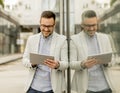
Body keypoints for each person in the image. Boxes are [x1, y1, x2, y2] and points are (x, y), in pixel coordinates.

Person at [70, 10, 116, 93]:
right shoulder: (74, 40)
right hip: (86, 88)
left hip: (105, 87)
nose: (91, 28)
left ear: (97, 23)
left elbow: (112, 60)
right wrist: (82, 64)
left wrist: (107, 62)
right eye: (88, 25)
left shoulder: (105, 38)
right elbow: (71, 63)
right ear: (82, 24)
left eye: (94, 25)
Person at [22, 11, 68, 93]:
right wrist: (32, 63)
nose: (46, 29)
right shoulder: (32, 39)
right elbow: (24, 59)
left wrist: (58, 65)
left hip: (52, 89)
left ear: (54, 25)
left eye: (49, 26)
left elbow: (66, 63)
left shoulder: (62, 40)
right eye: (43, 26)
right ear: (40, 23)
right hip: (33, 88)